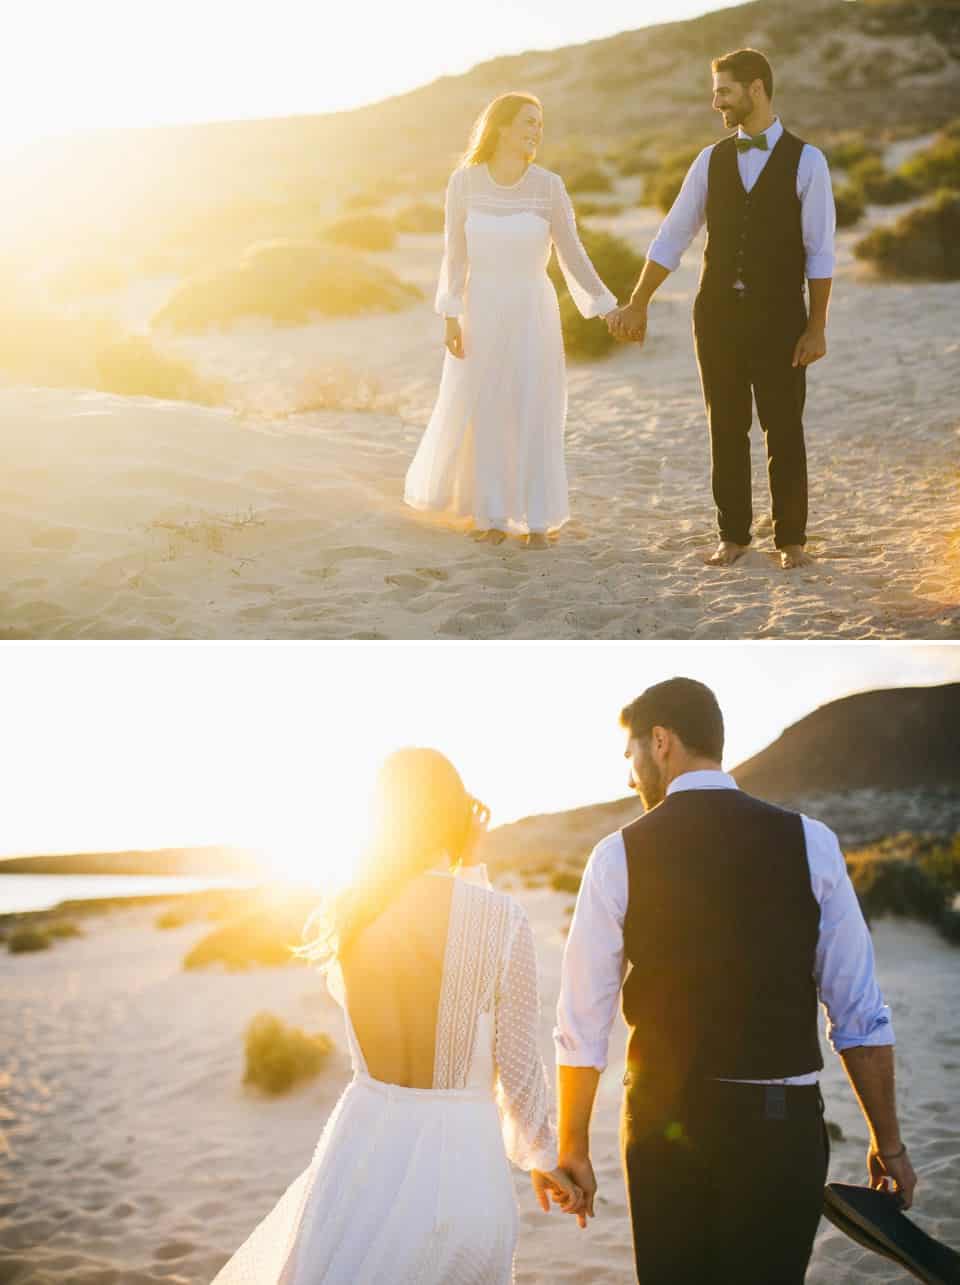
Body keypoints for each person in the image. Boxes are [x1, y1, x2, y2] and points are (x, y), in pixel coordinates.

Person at [553, 677, 917, 1284]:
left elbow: (582, 1021)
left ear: (661, 742)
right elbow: (859, 1012)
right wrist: (890, 1143)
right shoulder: (812, 844)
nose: (630, 775)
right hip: (780, 1134)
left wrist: (574, 1147)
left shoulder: (617, 854)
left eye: (631, 755)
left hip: (664, 1128)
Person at [210, 748, 582, 1285]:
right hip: (459, 1161)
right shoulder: (501, 919)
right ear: (457, 815)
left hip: (359, 1154)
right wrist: (545, 1158)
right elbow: (518, 1067)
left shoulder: (348, 915)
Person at [607, 49, 836, 570]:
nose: (716, 102)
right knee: (726, 425)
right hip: (716, 314)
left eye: (724, 91)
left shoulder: (808, 161)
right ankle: (732, 535)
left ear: (756, 89)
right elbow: (673, 235)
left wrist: (816, 326)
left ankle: (791, 540)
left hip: (780, 314)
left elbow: (820, 250)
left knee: (784, 426)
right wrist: (638, 301)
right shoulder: (709, 159)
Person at [404, 93, 618, 548]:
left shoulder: (549, 186)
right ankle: (492, 516)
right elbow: (454, 256)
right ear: (500, 126)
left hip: (530, 307)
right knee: (485, 408)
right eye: (528, 122)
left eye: (540, 123)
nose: (536, 130)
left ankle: (539, 520)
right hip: (479, 308)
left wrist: (605, 304)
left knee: (533, 405)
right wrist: (450, 314)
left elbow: (571, 252)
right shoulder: (463, 183)